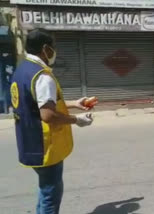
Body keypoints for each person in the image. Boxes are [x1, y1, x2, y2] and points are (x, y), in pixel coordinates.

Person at [10, 29, 94, 214]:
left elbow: (34, 104)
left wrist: (74, 104)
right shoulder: (42, 76)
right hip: (45, 146)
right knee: (51, 195)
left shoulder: (22, 69)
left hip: (29, 142)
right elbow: (47, 115)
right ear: (45, 49)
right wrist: (77, 120)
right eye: (53, 47)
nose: (55, 51)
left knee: (44, 189)